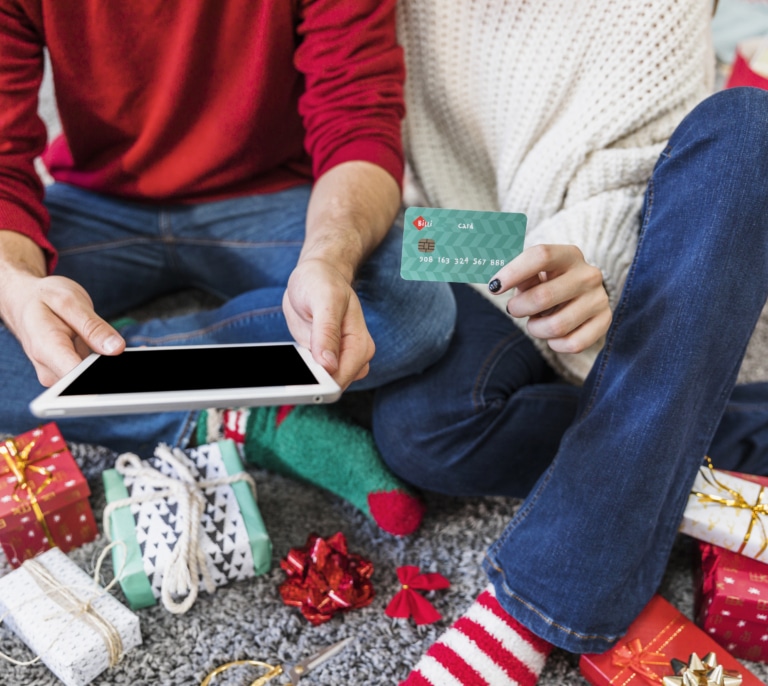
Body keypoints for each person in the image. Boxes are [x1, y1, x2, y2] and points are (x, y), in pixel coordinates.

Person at [372, 0, 768, 683]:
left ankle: (526, 611)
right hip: (476, 274)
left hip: (627, 275)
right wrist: (519, 263)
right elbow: (402, 214)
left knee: (750, 131)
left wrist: (588, 270)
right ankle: (681, 450)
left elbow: (649, 187)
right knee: (420, 431)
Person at [0, 1, 455, 536]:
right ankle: (246, 419)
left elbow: (358, 122)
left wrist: (327, 255)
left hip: (272, 194)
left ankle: (127, 383)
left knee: (415, 306)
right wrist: (19, 288)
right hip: (95, 199)